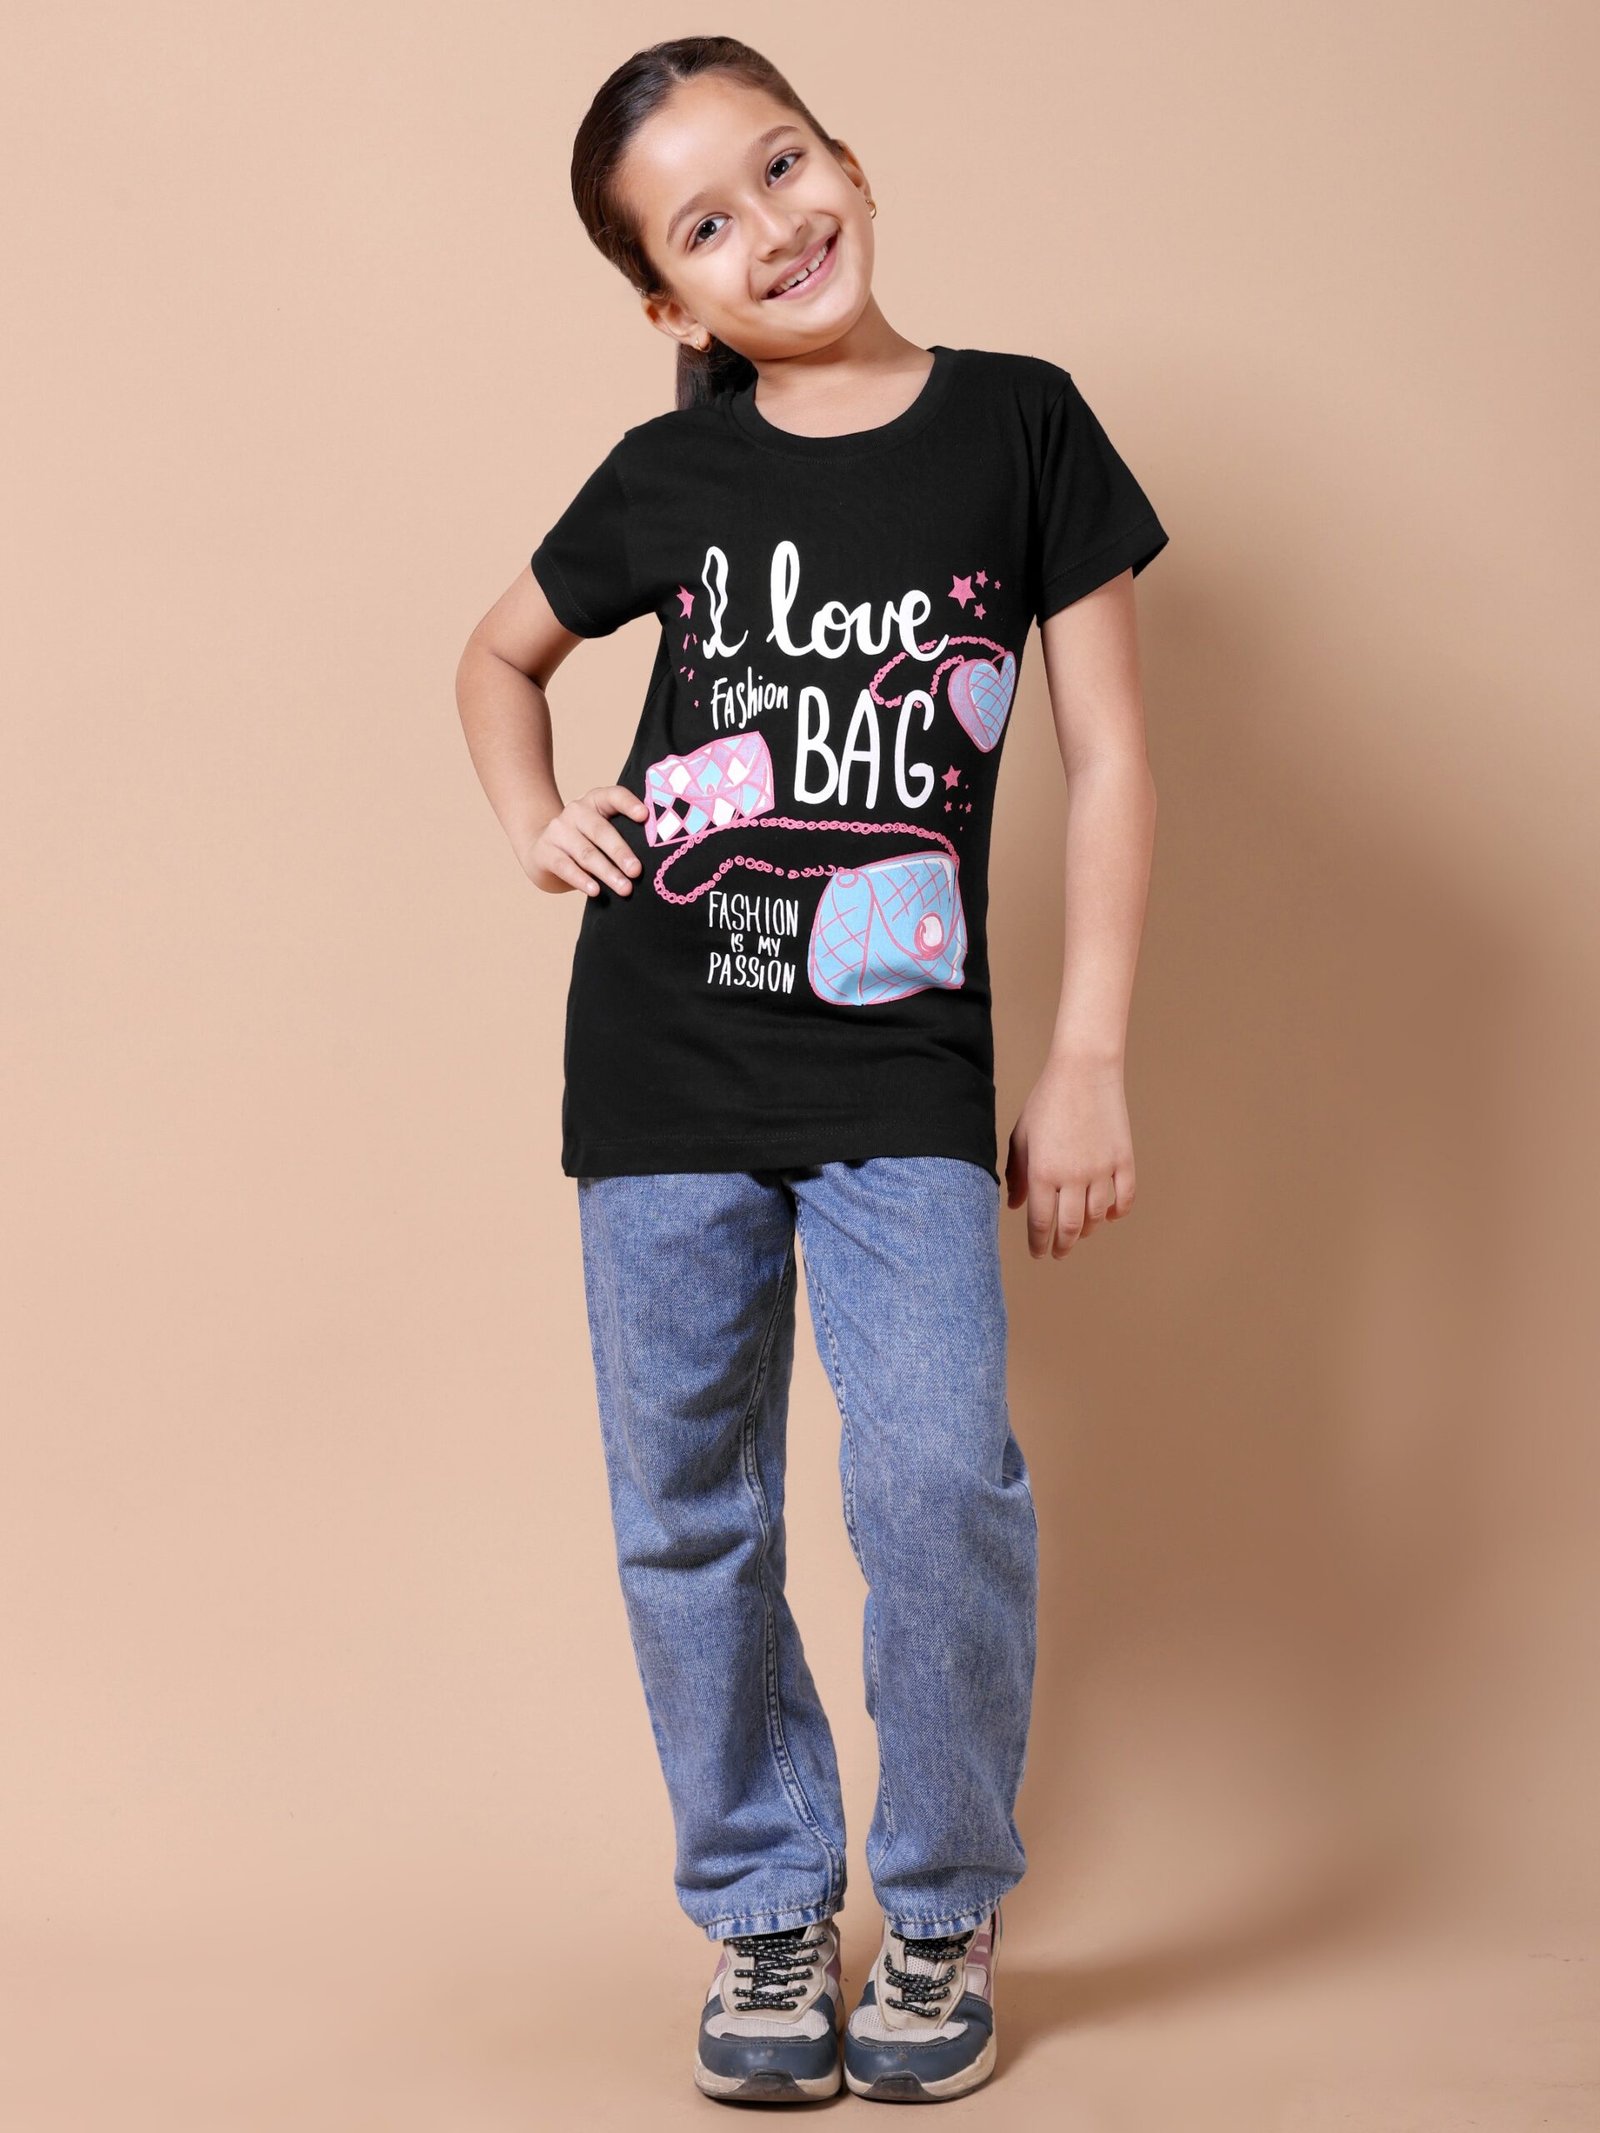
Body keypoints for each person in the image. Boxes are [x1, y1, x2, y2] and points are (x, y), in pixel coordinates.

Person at [455, 33, 1168, 2106]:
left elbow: (1110, 755)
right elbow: (497, 655)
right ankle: (767, 1903)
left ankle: (938, 1902)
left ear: (844, 155)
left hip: (898, 1070)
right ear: (666, 300)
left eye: (780, 166)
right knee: (689, 1507)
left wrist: (1088, 1049)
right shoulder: (665, 476)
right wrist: (537, 819)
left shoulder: (1022, 425)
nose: (770, 226)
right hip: (663, 1054)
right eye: (705, 224)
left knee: (939, 1477)